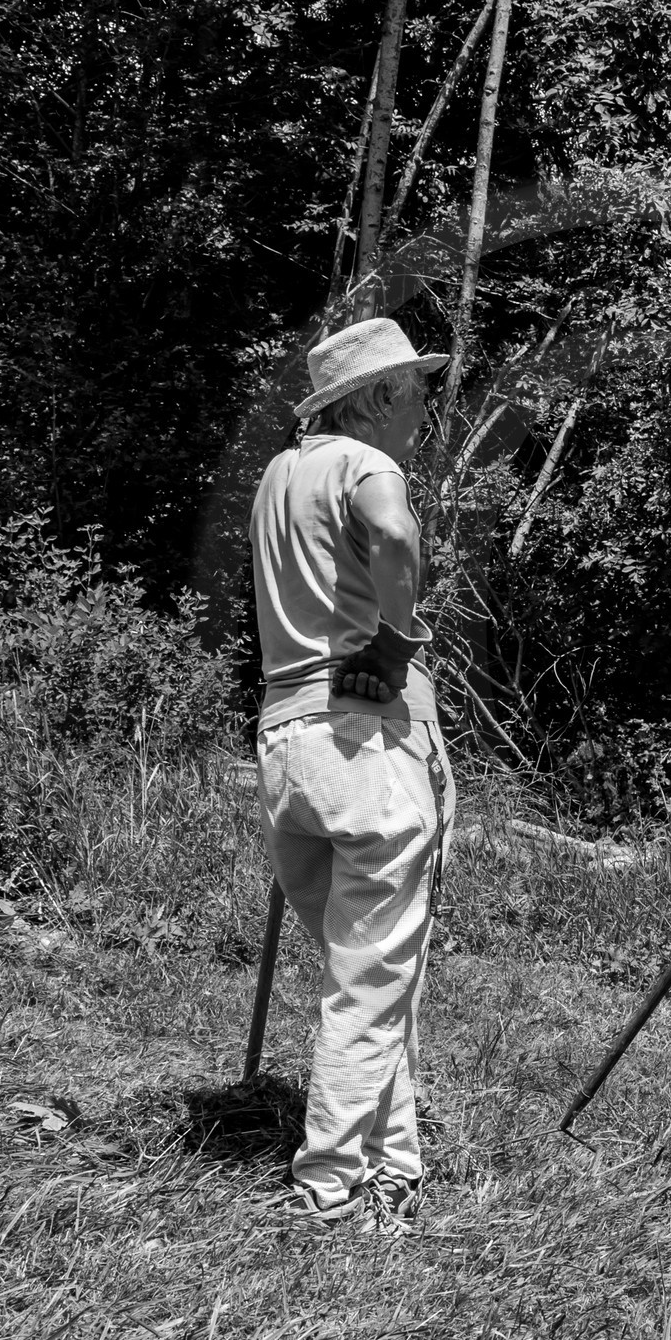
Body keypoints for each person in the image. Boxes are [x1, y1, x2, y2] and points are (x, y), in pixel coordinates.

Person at [249, 315, 456, 1231]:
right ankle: (330, 1187)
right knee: (372, 982)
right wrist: (395, 642)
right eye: (415, 398)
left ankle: (393, 1167)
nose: (422, 417)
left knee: (368, 980)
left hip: (285, 742)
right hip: (364, 739)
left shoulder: (278, 475)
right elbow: (398, 538)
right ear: (376, 399)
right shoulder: (368, 465)